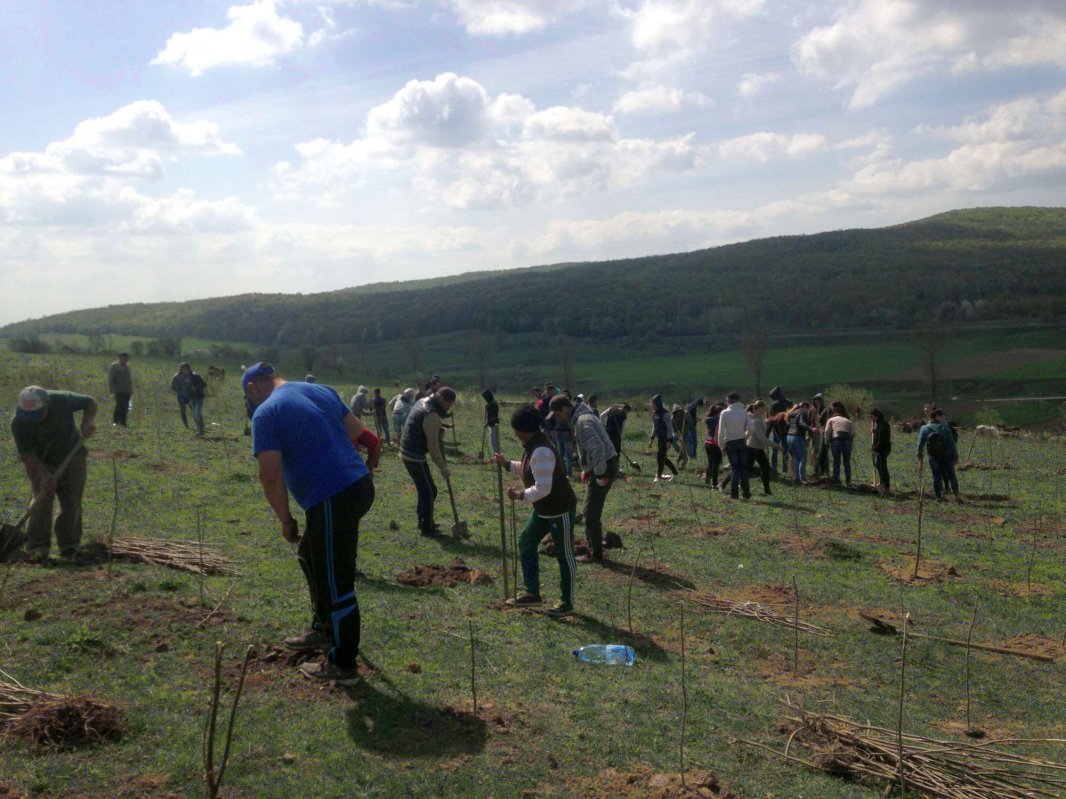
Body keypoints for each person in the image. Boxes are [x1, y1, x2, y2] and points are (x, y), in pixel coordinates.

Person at [243, 362, 380, 685]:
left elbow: (270, 475)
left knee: (336, 580)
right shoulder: (319, 390)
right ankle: (322, 627)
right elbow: (357, 433)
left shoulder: (266, 412)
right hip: (357, 487)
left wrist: (285, 519)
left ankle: (343, 663)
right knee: (309, 553)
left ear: (252, 388)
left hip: (333, 497)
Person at [491, 405, 577, 616]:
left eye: (515, 429)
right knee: (526, 542)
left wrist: (520, 495)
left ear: (522, 430)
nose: (514, 433)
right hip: (543, 510)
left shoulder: (542, 450)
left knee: (564, 555)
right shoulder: (532, 445)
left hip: (559, 509)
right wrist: (507, 464)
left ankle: (567, 602)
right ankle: (532, 593)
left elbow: (543, 488)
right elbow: (527, 467)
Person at [11, 386, 97, 561]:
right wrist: (43, 474)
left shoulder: (62, 400)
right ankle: (37, 547)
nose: (33, 421)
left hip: (72, 454)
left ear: (48, 403)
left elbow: (90, 402)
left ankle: (69, 546)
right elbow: (27, 455)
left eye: (37, 414)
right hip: (40, 460)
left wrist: (87, 422)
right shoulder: (18, 422)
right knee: (42, 498)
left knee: (71, 498)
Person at [554, 396, 617, 564]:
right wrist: (586, 470)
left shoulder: (582, 421)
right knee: (591, 511)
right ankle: (594, 547)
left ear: (564, 409)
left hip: (603, 466)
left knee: (590, 514)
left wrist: (600, 474)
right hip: (601, 466)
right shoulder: (582, 417)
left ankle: (595, 553)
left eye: (558, 415)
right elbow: (588, 448)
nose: (560, 419)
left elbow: (597, 449)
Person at [399, 387, 456, 537]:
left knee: (429, 490)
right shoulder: (431, 414)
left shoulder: (422, 401)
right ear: (442, 399)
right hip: (412, 454)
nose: (448, 408)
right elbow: (433, 446)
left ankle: (423, 520)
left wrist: (439, 430)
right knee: (427, 492)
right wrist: (443, 468)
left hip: (411, 450)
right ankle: (427, 528)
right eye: (448, 404)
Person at [917, 407, 960, 502]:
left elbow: (920, 444)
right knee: (951, 475)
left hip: (933, 457)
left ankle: (938, 497)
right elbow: (951, 443)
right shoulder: (945, 427)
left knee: (936, 476)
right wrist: (955, 455)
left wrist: (919, 455)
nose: (943, 419)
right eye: (942, 417)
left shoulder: (924, 428)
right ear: (937, 416)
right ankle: (956, 496)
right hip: (947, 456)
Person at [717, 392, 750, 499]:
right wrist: (745, 436)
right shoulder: (744, 412)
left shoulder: (725, 413)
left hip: (731, 442)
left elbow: (721, 432)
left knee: (735, 468)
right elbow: (752, 428)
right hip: (741, 441)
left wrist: (721, 446)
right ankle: (746, 493)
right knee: (743, 468)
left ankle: (734, 494)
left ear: (728, 401)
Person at [824, 401, 854, 488]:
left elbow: (827, 431)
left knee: (836, 461)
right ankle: (848, 482)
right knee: (846, 462)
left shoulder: (831, 419)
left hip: (836, 440)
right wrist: (850, 443)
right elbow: (853, 434)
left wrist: (826, 443)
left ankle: (836, 481)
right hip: (847, 441)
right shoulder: (848, 421)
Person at [746, 400, 773, 496]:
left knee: (765, 468)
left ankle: (767, 490)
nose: (763, 411)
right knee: (744, 469)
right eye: (762, 409)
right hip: (752, 448)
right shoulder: (755, 421)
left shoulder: (758, 419)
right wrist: (776, 445)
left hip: (759, 449)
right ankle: (724, 483)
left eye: (764, 409)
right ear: (755, 409)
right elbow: (761, 438)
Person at [648, 394, 677, 482]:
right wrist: (651, 438)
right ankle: (675, 473)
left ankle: (659, 476)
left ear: (657, 404)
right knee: (662, 458)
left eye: (652, 403)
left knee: (660, 458)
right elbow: (655, 426)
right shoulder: (654, 414)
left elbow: (669, 428)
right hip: (660, 438)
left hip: (666, 439)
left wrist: (669, 441)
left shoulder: (666, 414)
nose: (651, 405)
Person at [785, 401, 812, 482]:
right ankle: (802, 478)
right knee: (803, 457)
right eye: (808, 409)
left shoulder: (792, 413)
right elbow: (801, 423)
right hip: (797, 437)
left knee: (797, 458)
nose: (808, 411)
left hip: (789, 437)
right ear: (804, 407)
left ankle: (797, 477)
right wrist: (811, 428)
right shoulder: (802, 412)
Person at [548, 399, 575, 478]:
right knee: (565, 455)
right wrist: (551, 430)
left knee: (564, 455)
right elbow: (547, 419)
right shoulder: (563, 411)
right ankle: (566, 474)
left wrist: (551, 429)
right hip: (562, 433)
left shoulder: (558, 411)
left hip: (562, 433)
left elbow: (547, 419)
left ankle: (566, 473)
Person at [767, 386, 791, 472]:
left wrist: (767, 433)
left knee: (774, 450)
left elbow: (770, 420)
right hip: (787, 429)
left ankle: (774, 468)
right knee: (785, 450)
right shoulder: (789, 402)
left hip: (777, 429)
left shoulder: (772, 405)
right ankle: (785, 469)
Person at [107, 352, 133, 427]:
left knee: (126, 406)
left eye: (126, 359)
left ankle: (123, 422)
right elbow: (110, 379)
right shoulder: (114, 366)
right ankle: (115, 421)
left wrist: (131, 389)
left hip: (127, 390)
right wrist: (111, 389)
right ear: (119, 358)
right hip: (118, 390)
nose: (125, 360)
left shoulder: (128, 366)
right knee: (119, 406)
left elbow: (129, 379)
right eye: (123, 358)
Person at [870, 407, 892, 495]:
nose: (872, 419)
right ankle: (882, 483)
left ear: (877, 416)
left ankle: (886, 487)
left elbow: (881, 439)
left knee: (883, 468)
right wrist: (875, 431)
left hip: (883, 449)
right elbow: (879, 434)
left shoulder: (883, 424)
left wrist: (876, 449)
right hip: (881, 449)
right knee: (878, 465)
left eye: (872, 417)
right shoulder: (880, 424)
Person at [809, 393, 830, 479]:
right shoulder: (812, 410)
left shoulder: (825, 410)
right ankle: (816, 471)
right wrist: (810, 434)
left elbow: (827, 422)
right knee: (815, 452)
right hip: (815, 434)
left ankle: (825, 471)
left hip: (822, 434)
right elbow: (810, 423)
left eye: (819, 400)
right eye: (816, 400)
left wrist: (823, 429)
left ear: (822, 401)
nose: (817, 401)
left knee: (823, 452)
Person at [702, 403, 723, 489]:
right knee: (716, 464)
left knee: (710, 463)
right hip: (715, 443)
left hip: (707, 442)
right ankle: (714, 483)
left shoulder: (708, 419)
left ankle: (707, 479)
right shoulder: (718, 419)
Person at [482, 388, 501, 454]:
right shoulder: (493, 402)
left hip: (493, 425)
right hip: (494, 424)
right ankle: (497, 455)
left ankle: (497, 456)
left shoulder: (492, 404)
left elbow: (492, 416)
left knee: (494, 442)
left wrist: (487, 424)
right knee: (495, 441)